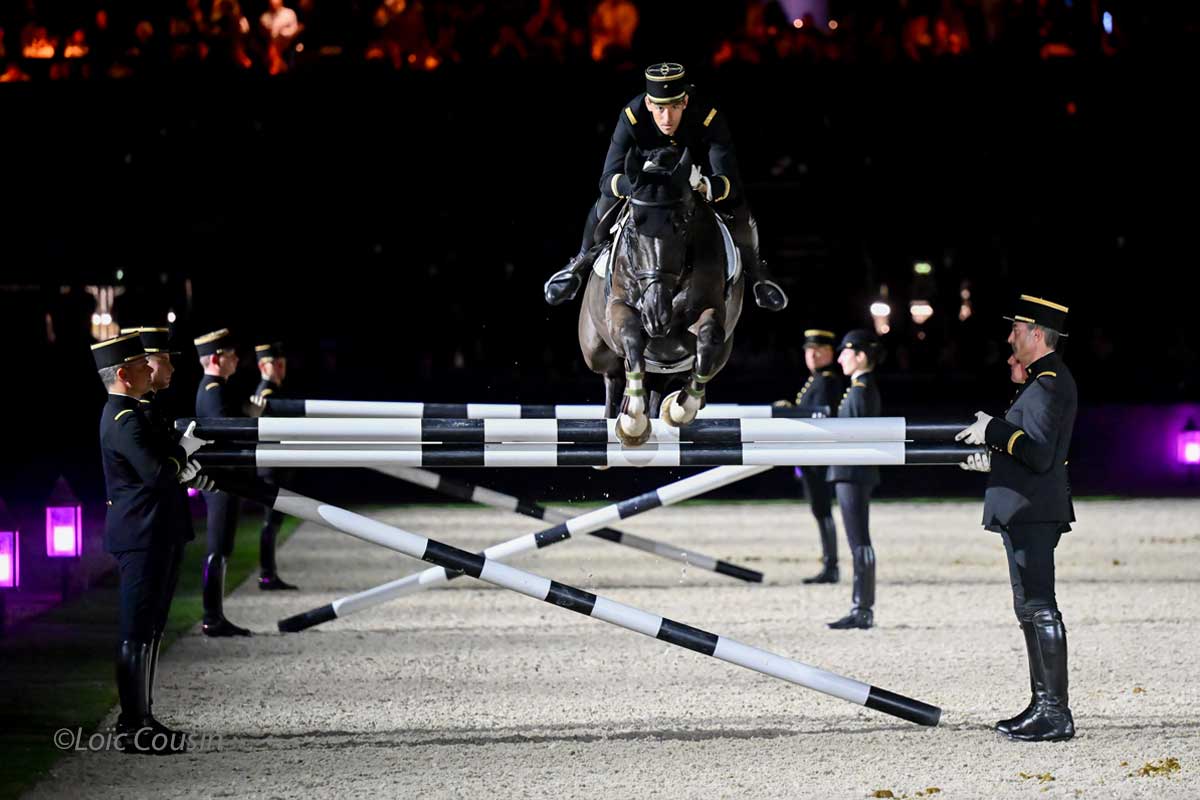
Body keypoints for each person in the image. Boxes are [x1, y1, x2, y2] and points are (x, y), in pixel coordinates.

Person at [543, 61, 787, 312]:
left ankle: (758, 273)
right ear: (649, 103)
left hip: (693, 178)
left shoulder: (708, 116)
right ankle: (579, 262)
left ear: (685, 102)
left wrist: (705, 185)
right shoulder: (632, 115)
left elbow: (729, 181)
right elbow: (607, 179)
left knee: (737, 204)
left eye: (674, 107)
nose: (667, 118)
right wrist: (637, 185)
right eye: (660, 108)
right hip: (645, 181)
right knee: (606, 201)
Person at [957, 294, 1078, 742]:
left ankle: (1055, 712)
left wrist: (994, 429)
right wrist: (997, 460)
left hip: (1033, 510)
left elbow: (1041, 454)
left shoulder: (1048, 384)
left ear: (1037, 334)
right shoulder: (1042, 382)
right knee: (1028, 607)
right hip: (1028, 507)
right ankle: (1041, 704)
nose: (1010, 338)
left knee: (1039, 606)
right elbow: (1029, 452)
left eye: (1016, 330)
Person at [93, 332, 211, 754]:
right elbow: (158, 473)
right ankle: (133, 725)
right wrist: (183, 452)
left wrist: (180, 459)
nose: (149, 368)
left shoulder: (131, 414)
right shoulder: (123, 419)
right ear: (124, 375)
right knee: (137, 630)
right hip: (142, 535)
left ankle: (143, 717)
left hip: (153, 531)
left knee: (150, 629)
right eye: (141, 365)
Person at [194, 327, 252, 637]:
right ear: (216, 359)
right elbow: (227, 432)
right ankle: (212, 615)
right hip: (221, 481)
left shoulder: (217, 389)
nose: (237, 359)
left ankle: (214, 614)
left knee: (222, 547)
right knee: (218, 547)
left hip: (224, 478)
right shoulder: (213, 391)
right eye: (231, 354)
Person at [826, 329, 882, 629]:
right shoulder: (858, 388)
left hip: (852, 473)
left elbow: (856, 435)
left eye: (845, 353)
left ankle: (862, 607)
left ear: (860, 356)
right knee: (859, 540)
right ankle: (862, 606)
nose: (839, 359)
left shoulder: (861, 390)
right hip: (851, 473)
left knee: (859, 541)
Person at [778, 328, 844, 583]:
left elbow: (818, 414)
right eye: (809, 350)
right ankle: (830, 564)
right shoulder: (817, 380)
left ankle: (831, 565)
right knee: (820, 510)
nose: (813, 355)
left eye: (819, 350)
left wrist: (788, 412)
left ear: (830, 353)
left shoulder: (826, 381)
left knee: (822, 509)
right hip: (812, 457)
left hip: (819, 458)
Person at [250, 341, 298, 590]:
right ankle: (267, 573)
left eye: (282, 364)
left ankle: (268, 572)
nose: (280, 368)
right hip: (272, 465)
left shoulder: (273, 390)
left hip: (277, 464)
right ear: (262, 366)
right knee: (271, 521)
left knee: (274, 521)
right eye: (275, 364)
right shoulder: (266, 393)